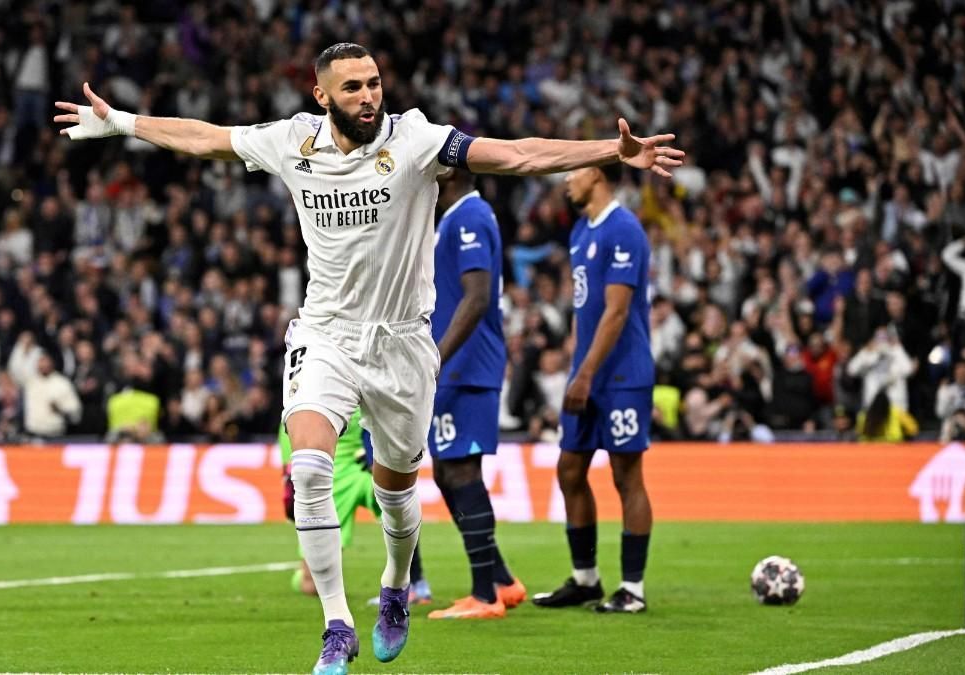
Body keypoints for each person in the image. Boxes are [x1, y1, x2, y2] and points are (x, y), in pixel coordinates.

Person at [56, 42, 680, 675]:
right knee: (308, 469)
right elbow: (206, 138)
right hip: (325, 334)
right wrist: (123, 123)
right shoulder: (292, 142)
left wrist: (611, 150)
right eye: (352, 87)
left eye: (374, 83)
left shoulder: (416, 141)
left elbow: (515, 154)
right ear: (322, 95)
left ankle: (395, 585)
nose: (368, 97)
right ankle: (336, 625)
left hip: (405, 342)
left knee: (397, 491)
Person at [533, 163, 655, 614]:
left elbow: (617, 312)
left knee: (627, 477)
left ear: (598, 176)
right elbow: (583, 311)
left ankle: (633, 588)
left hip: (623, 374)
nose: (565, 178)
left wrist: (584, 372)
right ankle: (586, 579)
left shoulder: (624, 229)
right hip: (586, 371)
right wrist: (576, 365)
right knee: (569, 470)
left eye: (573, 171)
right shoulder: (582, 231)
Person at [424, 169, 524, 620]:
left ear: (453, 169)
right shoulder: (455, 217)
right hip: (459, 368)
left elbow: (478, 295)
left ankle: (485, 596)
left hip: (466, 366)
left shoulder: (469, 216)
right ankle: (501, 579)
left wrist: (438, 356)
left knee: (461, 472)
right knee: (448, 472)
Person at [278, 410, 431, 603]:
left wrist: (374, 452)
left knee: (400, 509)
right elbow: (291, 423)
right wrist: (289, 472)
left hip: (367, 465)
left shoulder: (368, 381)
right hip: (333, 474)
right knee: (312, 585)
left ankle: (415, 584)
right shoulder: (310, 386)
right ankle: (303, 575)